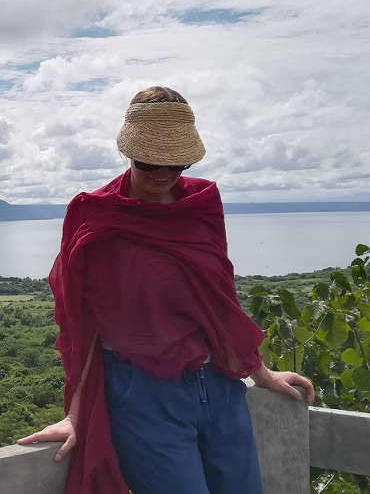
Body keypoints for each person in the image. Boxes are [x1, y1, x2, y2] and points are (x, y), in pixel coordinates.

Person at [18, 86, 315, 494]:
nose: (162, 173)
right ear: (128, 152)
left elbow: (219, 299)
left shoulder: (203, 202)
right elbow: (81, 321)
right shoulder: (95, 215)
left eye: (176, 163)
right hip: (142, 391)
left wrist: (259, 372)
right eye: (149, 161)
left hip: (221, 386)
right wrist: (74, 413)